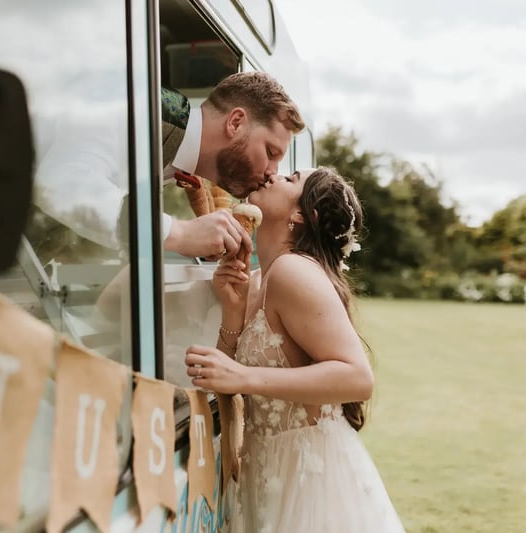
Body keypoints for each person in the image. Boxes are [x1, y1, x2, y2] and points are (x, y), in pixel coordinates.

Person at [184, 167, 405, 532]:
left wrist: (244, 376)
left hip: (308, 475)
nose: (273, 174)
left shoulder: (293, 272)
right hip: (264, 467)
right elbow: (224, 377)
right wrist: (232, 313)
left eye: (291, 179)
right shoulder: (257, 278)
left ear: (303, 215)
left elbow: (356, 377)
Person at [32, 72, 305, 260]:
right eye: (270, 152)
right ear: (235, 123)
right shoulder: (132, 105)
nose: (272, 172)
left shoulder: (177, 160)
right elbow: (61, 181)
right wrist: (179, 233)